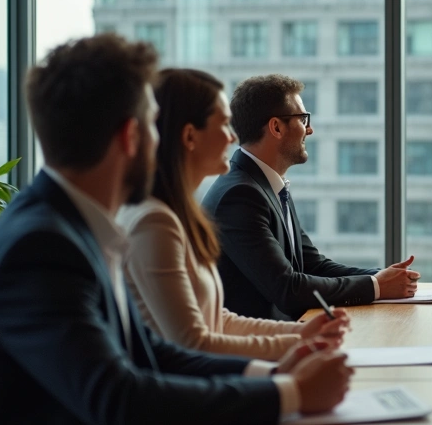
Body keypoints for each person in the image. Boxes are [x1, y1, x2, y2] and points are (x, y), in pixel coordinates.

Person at [0, 35, 366, 425]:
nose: (160, 136)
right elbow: (121, 398)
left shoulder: (72, 226)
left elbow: (156, 355)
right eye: (152, 123)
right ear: (130, 136)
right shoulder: (40, 248)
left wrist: (272, 373)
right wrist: (288, 395)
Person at [120, 68, 349, 361]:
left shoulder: (176, 214)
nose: (232, 138)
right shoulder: (155, 222)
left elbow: (218, 319)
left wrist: (302, 335)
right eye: (225, 125)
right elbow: (194, 343)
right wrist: (295, 357)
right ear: (190, 136)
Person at [202, 74, 419, 320]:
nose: (310, 129)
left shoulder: (265, 185)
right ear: (276, 127)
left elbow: (312, 265)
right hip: (256, 345)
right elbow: (287, 288)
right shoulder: (240, 195)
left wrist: (382, 277)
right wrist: (376, 287)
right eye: (303, 119)